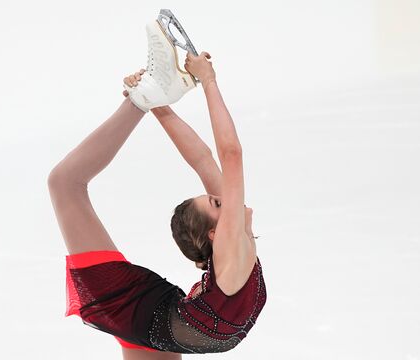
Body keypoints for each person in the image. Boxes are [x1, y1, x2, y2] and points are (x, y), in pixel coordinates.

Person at [47, 50, 267, 359]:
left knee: (62, 182)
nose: (229, 198)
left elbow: (207, 160)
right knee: (63, 183)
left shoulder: (232, 243)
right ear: (216, 233)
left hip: (151, 317)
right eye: (219, 203)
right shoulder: (233, 246)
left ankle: (139, 101)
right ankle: (135, 104)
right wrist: (204, 81)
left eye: (217, 201)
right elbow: (225, 155)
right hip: (158, 322)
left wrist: (159, 103)